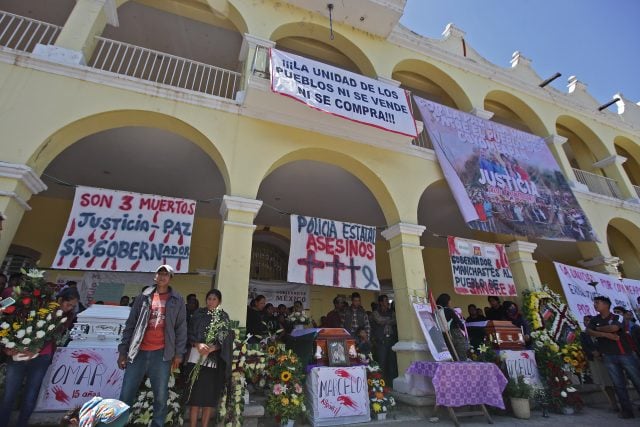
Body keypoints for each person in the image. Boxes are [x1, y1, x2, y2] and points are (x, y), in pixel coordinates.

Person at [117, 264, 187, 427]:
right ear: (155, 276)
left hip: (161, 354)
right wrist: (123, 351)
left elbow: (181, 328)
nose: (162, 276)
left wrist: (178, 354)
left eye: (166, 274)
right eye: (160, 273)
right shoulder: (143, 296)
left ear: (170, 279)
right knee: (126, 393)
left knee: (161, 396)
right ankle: (119, 423)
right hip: (138, 352)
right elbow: (130, 324)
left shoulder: (177, 299)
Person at [0, 287, 79, 427]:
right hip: (18, 353)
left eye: (73, 306)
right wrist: (10, 346)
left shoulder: (67, 316)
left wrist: (36, 348)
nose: (69, 308)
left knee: (30, 394)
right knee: (9, 394)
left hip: (42, 357)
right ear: (60, 299)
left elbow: (55, 335)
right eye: (68, 304)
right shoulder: (40, 306)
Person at [185, 289, 233, 427]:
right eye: (209, 298)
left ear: (219, 301)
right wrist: (197, 344)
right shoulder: (198, 314)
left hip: (212, 363)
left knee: (208, 399)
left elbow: (227, 338)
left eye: (214, 299)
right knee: (195, 398)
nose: (211, 302)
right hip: (195, 359)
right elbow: (189, 333)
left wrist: (215, 347)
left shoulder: (223, 317)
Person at [588, 296, 640, 419]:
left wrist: (598, 329)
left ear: (606, 305)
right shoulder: (594, 319)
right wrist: (606, 334)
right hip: (608, 356)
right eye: (594, 303)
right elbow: (589, 331)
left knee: (637, 380)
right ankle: (627, 410)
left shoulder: (617, 316)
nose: (595, 305)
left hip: (625, 354)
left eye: (597, 303)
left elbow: (615, 328)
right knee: (618, 385)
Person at [580, 315, 618, 412]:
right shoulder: (583, 334)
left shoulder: (600, 331)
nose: (586, 322)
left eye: (588, 320)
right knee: (603, 382)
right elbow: (584, 346)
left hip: (606, 357)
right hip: (594, 359)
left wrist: (601, 352)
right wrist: (592, 352)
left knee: (612, 380)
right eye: (585, 320)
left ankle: (620, 401)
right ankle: (613, 403)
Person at [371, 294, 398, 383]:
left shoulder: (391, 312)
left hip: (391, 339)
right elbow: (379, 320)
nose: (387, 302)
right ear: (380, 302)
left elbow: (395, 320)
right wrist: (388, 319)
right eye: (385, 300)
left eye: (387, 300)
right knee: (381, 362)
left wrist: (385, 320)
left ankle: (391, 383)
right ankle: (381, 383)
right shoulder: (376, 312)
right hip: (381, 340)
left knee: (392, 362)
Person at [436, 293, 468, 360]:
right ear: (447, 301)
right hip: (455, 334)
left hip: (444, 336)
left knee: (452, 356)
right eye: (450, 300)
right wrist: (465, 331)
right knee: (461, 356)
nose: (451, 302)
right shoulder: (449, 310)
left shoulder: (437, 311)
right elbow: (459, 323)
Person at [59, 397, 130, 427]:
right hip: (124, 410)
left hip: (113, 416)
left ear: (73, 421)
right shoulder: (89, 408)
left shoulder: (84, 417)